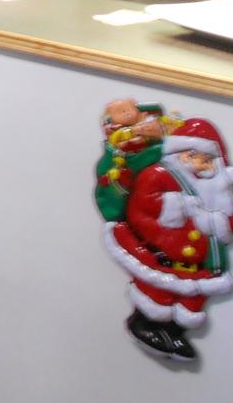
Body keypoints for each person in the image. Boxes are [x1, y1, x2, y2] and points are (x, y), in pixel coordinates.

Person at [103, 117, 233, 361]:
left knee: (190, 300)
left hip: (199, 266)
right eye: (192, 156)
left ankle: (174, 333)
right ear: (179, 152)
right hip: (162, 256)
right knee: (157, 293)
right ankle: (144, 326)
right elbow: (142, 209)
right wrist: (177, 205)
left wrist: (216, 221)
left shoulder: (215, 191)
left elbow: (227, 220)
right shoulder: (158, 175)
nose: (200, 164)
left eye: (207, 160)